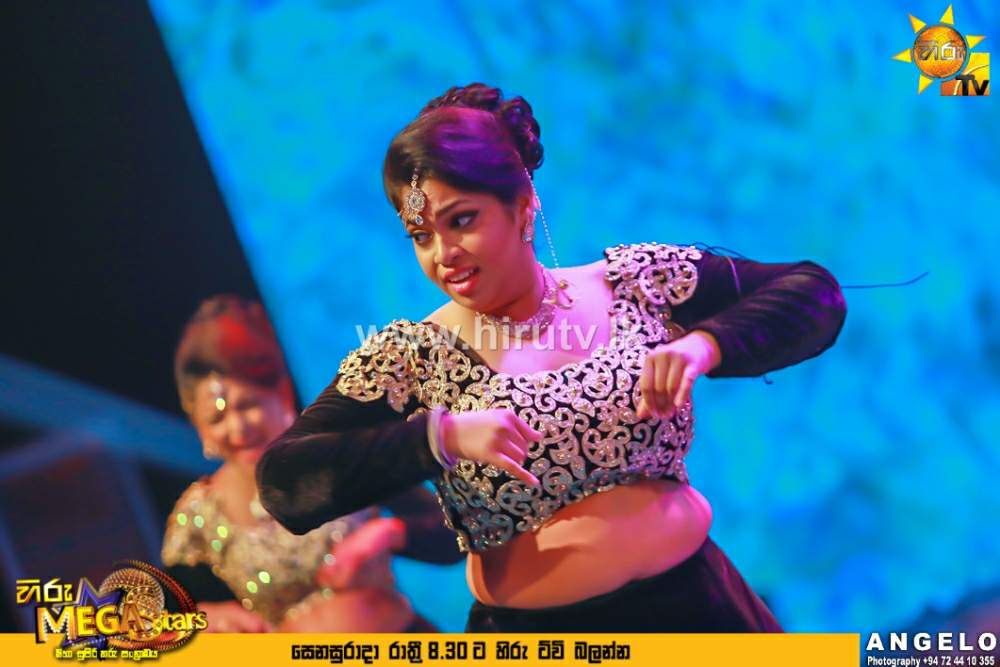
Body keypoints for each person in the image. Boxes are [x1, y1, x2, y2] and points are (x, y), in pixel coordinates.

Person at [255, 83, 848, 632]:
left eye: (462, 220)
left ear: (521, 205)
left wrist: (706, 342)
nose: (444, 253)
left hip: (705, 612)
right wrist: (441, 436)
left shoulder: (632, 284)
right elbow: (284, 481)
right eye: (421, 236)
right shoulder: (412, 357)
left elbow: (815, 293)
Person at [161, 295, 462, 632]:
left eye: (247, 405)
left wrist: (387, 533)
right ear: (200, 428)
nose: (238, 428)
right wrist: (207, 617)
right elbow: (165, 619)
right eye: (217, 419)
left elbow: (454, 534)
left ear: (282, 393)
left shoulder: (333, 455)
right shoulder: (199, 514)